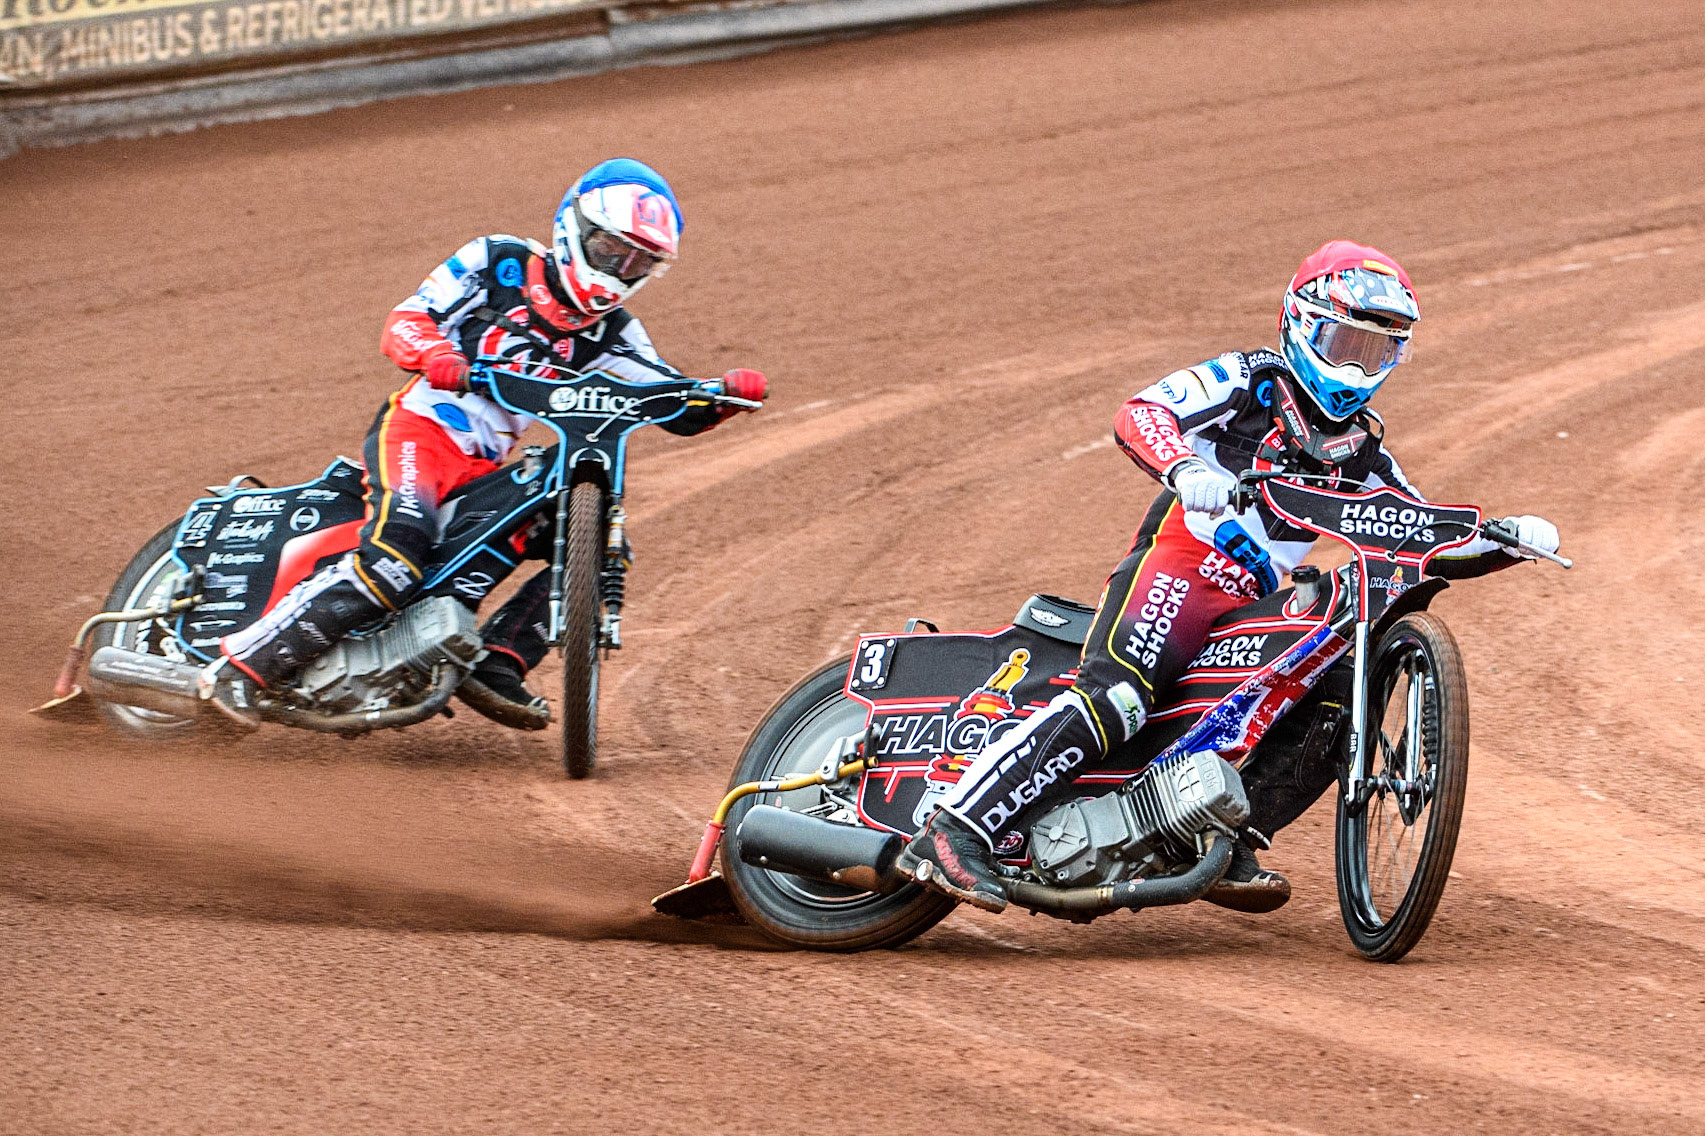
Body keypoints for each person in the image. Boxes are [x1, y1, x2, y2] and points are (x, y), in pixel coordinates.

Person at [899, 240, 1560, 914]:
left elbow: (1415, 532)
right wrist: (1186, 471)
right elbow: (1142, 412)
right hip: (1180, 563)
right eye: (1345, 342)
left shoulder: (1362, 451)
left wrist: (1503, 541)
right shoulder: (1248, 379)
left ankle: (1227, 838)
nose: (1358, 365)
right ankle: (952, 830)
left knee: (1335, 681)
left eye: (1376, 351)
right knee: (1120, 696)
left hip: (1247, 603)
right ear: (1301, 324)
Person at [207, 158, 767, 728]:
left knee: (596, 545)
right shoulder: (497, 261)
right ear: (573, 228)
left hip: (484, 468)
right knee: (396, 560)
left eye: (638, 261)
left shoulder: (616, 333)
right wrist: (434, 354)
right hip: (420, 434)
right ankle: (239, 670)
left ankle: (498, 662)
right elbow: (405, 320)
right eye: (610, 251)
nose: (620, 270)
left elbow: (664, 398)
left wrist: (718, 398)